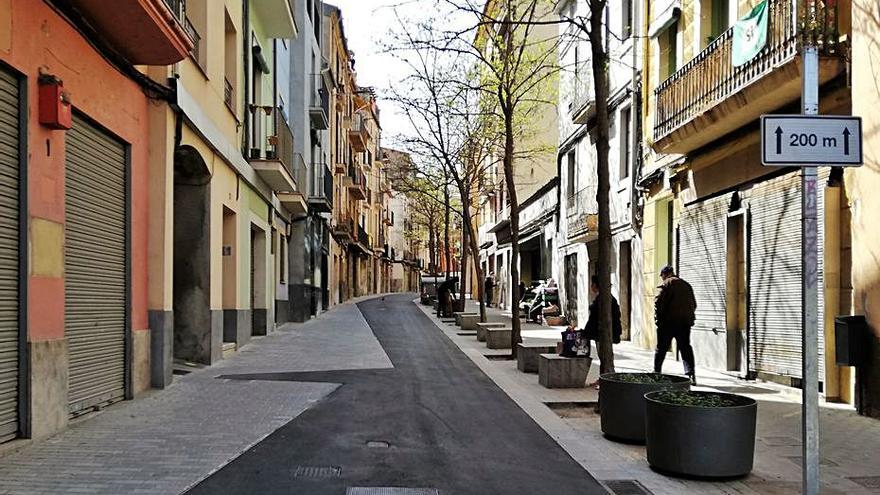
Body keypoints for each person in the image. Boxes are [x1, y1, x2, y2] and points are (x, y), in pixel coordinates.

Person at [654, 266, 698, 385]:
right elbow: (694, 304)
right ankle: (690, 374)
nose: (662, 278)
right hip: (684, 323)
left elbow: (658, 302)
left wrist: (658, 319)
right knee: (685, 348)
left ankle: (656, 373)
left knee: (661, 349)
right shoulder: (686, 285)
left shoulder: (667, 284)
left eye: (662, 275)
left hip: (668, 323)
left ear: (665, 274)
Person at [578, 275, 622, 358]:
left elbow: (593, 319)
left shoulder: (602, 300)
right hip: (604, 333)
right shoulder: (607, 298)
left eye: (592, 284)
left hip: (602, 333)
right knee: (604, 355)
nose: (591, 287)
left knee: (603, 355)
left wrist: (586, 333)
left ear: (595, 285)